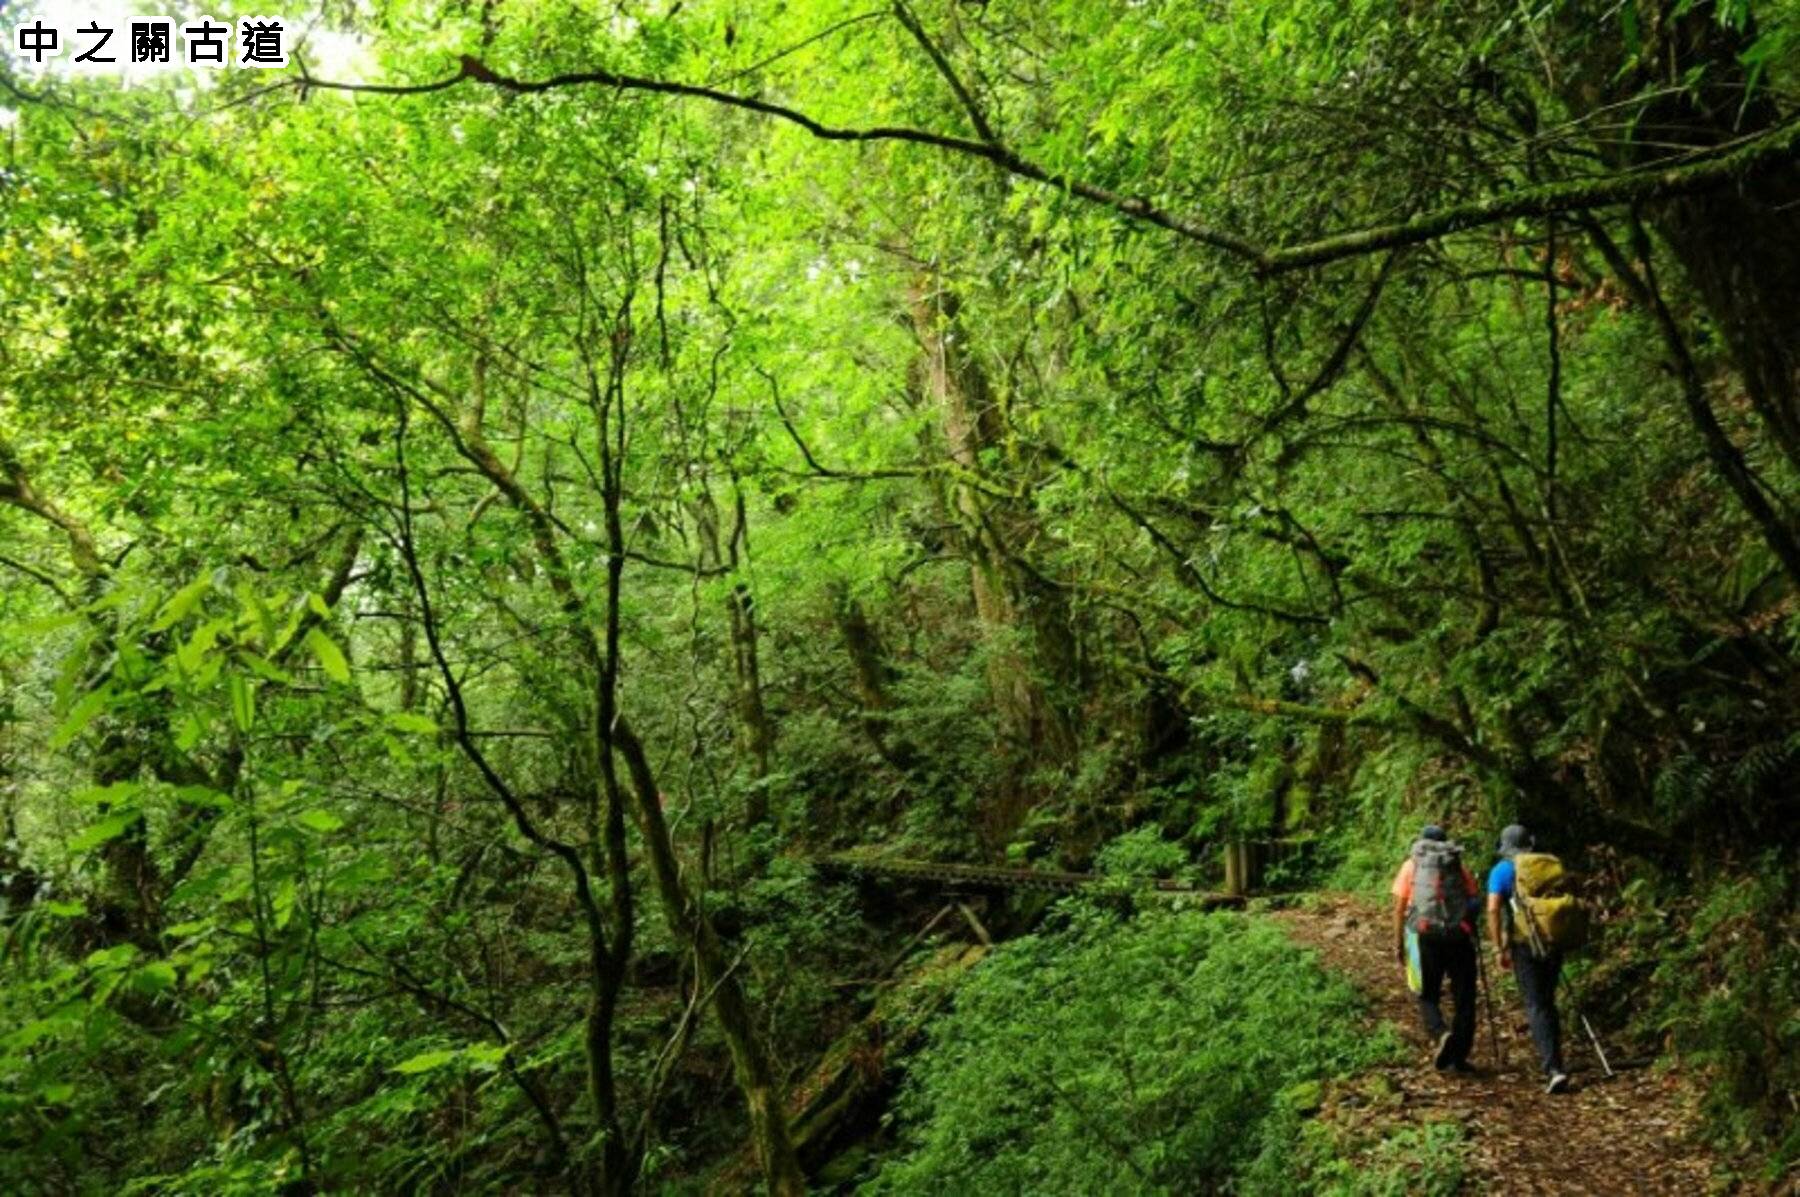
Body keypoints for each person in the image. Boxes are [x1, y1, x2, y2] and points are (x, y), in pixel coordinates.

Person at [1487, 823, 1570, 1093]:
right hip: (1554, 939)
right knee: (1548, 1001)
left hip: (1526, 944)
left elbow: (1493, 909)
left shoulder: (1502, 870)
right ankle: (1555, 1061)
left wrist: (1499, 947)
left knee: (1535, 1005)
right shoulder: (1545, 864)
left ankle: (1553, 1069)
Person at [1391, 823, 1480, 1071]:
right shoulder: (1456, 865)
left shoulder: (1412, 866)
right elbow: (1474, 900)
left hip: (1426, 935)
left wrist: (1398, 942)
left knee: (1427, 992)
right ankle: (1459, 1057)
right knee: (1465, 997)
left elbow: (1399, 908)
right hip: (1458, 937)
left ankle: (1440, 1033)